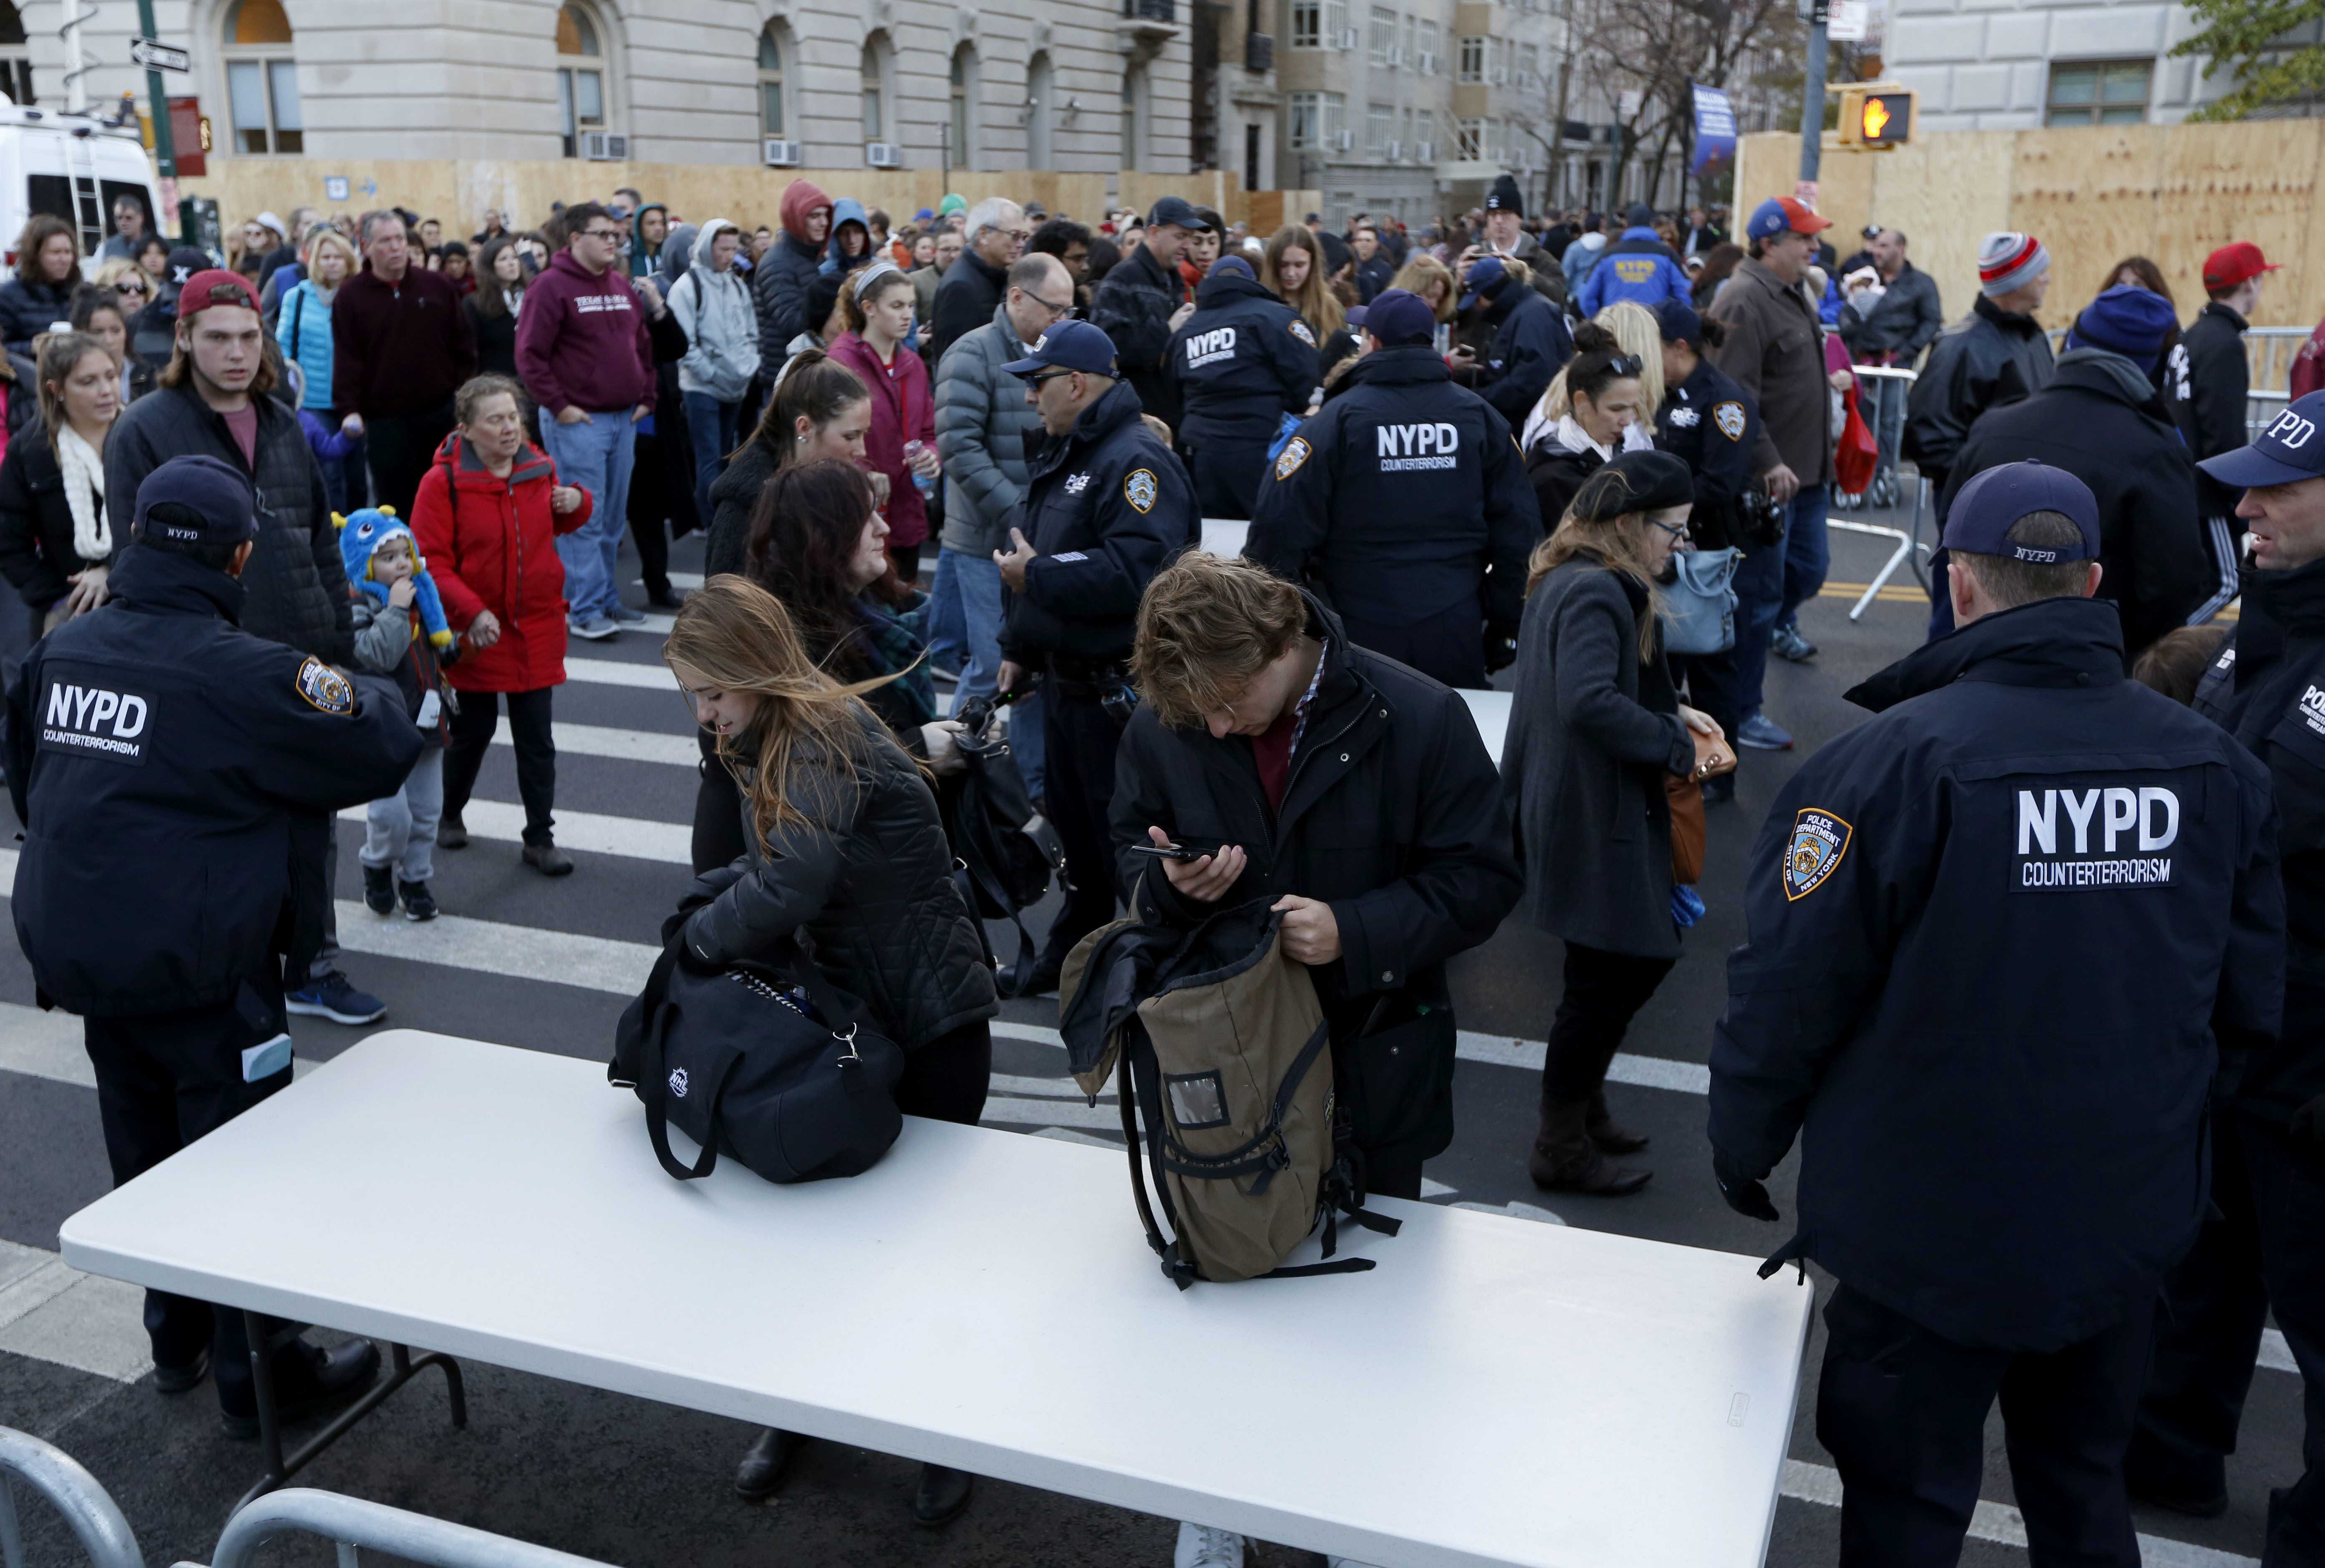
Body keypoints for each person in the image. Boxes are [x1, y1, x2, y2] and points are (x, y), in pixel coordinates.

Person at [1708, 459, 2284, 1568]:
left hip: (1922, 1229)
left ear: (1957, 583)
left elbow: (1787, 991)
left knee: (1905, 1507)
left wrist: (1743, 1142)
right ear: (2093, 584)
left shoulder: (1883, 764)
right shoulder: (2212, 765)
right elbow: (2247, 1004)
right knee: (2081, 1484)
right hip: (2119, 1219)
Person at [1110, 558, 1522, 1568]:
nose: (1214, 728)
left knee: (1369, 1320)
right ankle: (1219, 1497)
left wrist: (1358, 930)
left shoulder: (1416, 715)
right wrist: (1172, 889)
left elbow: (1484, 878)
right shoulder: (1171, 715)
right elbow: (1126, 849)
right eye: (1196, 714)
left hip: (1372, 1056)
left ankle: (1355, 1510)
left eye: (1227, 702)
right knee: (1225, 1292)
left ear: (1282, 644)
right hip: (1222, 1064)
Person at [6, 453, 419, 1434]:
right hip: (204, 965)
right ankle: (260, 1379)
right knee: (239, 1170)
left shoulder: (67, 649)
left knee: (145, 1151)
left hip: (91, 951)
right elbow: (378, 739)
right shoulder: (244, 671)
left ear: (137, 535)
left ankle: (176, 1338)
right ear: (239, 558)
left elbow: (27, 776)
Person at [665, 577, 992, 1530]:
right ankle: (802, 1411)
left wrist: (698, 939)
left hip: (927, 1022)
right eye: (693, 697)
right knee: (817, 1237)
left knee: (918, 1247)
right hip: (862, 1016)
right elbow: (764, 867)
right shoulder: (768, 730)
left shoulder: (814, 733)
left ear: (754, 668)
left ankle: (939, 1436)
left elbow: (793, 880)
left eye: (712, 692)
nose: (705, 714)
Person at [2123, 402, 2325, 1560]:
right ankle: (2167, 1449)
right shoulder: (2269, 616)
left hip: (2311, 1065)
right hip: (2236, 1028)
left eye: (2276, 488)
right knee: (2202, 1260)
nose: (2244, 507)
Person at [105, 267, 391, 1026]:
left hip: (301, 651)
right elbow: (134, 559)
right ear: (184, 338)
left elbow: (317, 537)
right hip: (207, 660)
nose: (236, 352)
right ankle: (229, 966)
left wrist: (339, 640)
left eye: (247, 337)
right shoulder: (145, 428)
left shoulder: (283, 420)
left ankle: (312, 963)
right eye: (217, 338)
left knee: (311, 819)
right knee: (222, 826)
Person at [1507, 452, 1730, 1195]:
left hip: (1573, 803)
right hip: (1593, 811)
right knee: (1615, 973)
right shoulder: (1598, 589)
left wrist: (1670, 708)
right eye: (1674, 528)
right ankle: (1559, 1143)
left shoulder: (1571, 575)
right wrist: (1673, 741)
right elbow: (1586, 701)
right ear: (1631, 523)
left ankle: (1582, 1107)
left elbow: (1590, 688)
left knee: (1602, 973)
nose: (1681, 543)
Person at [991, 319, 1195, 996]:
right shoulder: (1072, 452)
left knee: (1125, 843)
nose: (1030, 398)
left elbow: (1139, 571)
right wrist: (1019, 647)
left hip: (1118, 698)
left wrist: (1038, 575)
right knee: (1077, 839)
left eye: (1039, 383)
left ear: (1076, 383)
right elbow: (1039, 545)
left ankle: (1147, 970)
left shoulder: (1134, 461)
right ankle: (1074, 950)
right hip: (1065, 684)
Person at [1248, 287, 1536, 691]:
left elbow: (1277, 529)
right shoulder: (1481, 419)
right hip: (1453, 621)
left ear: (1374, 342)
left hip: (1357, 627)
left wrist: (1299, 624)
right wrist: (1507, 621)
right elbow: (1519, 531)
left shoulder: (1334, 422)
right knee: (1452, 728)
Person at [1935, 286, 2210, 660]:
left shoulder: (1993, 426)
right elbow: (2175, 584)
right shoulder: (2155, 449)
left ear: (2074, 344)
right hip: (2095, 661)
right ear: (2155, 366)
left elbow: (1952, 532)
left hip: (1983, 652)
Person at [696, 352, 874, 872]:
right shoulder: (745, 504)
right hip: (751, 702)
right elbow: (724, 616)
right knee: (734, 830)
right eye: (851, 436)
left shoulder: (811, 488)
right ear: (804, 428)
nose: (862, 450)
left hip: (795, 694)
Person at [413, 374, 592, 875]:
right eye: (496, 420)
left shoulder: (539, 467)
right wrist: (473, 612)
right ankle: (450, 813)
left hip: (535, 626)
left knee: (537, 740)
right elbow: (429, 562)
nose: (510, 428)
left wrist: (577, 502)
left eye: (514, 417)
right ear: (467, 429)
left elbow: (556, 522)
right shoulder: (442, 483)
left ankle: (540, 838)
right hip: (477, 632)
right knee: (473, 731)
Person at [931, 252, 1069, 787]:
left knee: (1033, 666)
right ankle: (947, 767)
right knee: (993, 666)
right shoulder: (972, 353)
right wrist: (1019, 512)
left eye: (1069, 309)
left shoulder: (1054, 352)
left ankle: (1035, 785)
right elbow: (960, 449)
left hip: (1037, 538)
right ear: (1016, 298)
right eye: (1054, 308)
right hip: (985, 541)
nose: (1062, 319)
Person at [1706, 196, 1833, 753]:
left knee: (1809, 570)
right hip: (1769, 482)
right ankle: (1739, 712)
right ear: (1768, 243)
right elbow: (1732, 399)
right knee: (1756, 599)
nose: (1814, 246)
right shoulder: (1743, 297)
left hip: (1807, 474)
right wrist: (1764, 462)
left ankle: (1768, 636)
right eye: (1803, 238)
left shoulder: (1792, 291)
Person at [742, 458, 963, 768]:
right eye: (864, 519)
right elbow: (818, 765)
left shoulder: (884, 609)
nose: (883, 529)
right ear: (821, 538)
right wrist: (917, 749)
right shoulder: (800, 650)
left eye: (878, 513)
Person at [516, 201, 655, 641]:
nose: (613, 241)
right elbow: (530, 356)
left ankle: (606, 598)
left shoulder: (619, 284)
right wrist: (561, 407)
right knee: (582, 518)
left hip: (624, 418)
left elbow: (642, 346)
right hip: (579, 422)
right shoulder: (550, 287)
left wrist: (648, 396)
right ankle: (584, 608)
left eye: (616, 235)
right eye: (603, 234)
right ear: (576, 239)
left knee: (613, 517)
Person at [1651, 299, 1757, 795]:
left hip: (1707, 554)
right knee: (1661, 663)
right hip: (1663, 551)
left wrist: (1656, 501)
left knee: (1712, 665)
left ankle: (1719, 773)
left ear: (1679, 347)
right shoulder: (1662, 394)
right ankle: (1672, 762)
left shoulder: (1723, 400)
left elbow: (1721, 482)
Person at [342, 514, 452, 921]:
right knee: (391, 815)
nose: (403, 563)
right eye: (388, 558)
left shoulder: (424, 595)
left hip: (426, 718)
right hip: (384, 725)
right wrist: (397, 609)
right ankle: (377, 863)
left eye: (406, 553)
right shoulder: (359, 603)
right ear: (365, 566)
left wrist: (461, 643)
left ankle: (415, 879)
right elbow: (376, 655)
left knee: (426, 811)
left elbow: (440, 648)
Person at [332, 211, 476, 521]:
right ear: (366, 246)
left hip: (441, 414)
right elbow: (347, 358)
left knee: (450, 501)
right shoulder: (351, 297)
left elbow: (463, 344)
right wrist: (349, 409)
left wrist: (462, 390)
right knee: (396, 507)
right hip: (386, 423)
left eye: (400, 239)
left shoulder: (436, 287)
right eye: (386, 241)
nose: (396, 247)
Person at [1902, 231, 2054, 500]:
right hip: (1981, 498)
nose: (2047, 279)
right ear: (2016, 282)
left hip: (2025, 492)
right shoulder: (1961, 346)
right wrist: (1984, 483)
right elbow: (1930, 435)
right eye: (2040, 271)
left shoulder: (2033, 337)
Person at [2173, 241, 2278, 625]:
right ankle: (2163, 651)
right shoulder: (2224, 344)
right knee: (2226, 581)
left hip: (2183, 481)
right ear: (2249, 284)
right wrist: (2238, 494)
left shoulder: (2192, 335)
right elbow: (2224, 433)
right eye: (2261, 279)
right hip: (2208, 492)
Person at [1165, 255, 1318, 520]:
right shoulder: (1277, 317)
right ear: (1252, 282)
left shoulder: (1186, 332)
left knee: (1213, 537)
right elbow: (1310, 381)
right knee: (1268, 534)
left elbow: (1172, 395)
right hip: (1264, 449)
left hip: (1201, 456)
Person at [0, 331, 120, 632]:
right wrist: (58, 600)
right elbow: (9, 540)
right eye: (88, 382)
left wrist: (112, 569)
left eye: (111, 376)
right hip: (69, 611)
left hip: (143, 602)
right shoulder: (31, 450)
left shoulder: (141, 434)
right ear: (56, 390)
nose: (106, 390)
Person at [827, 264, 938, 584]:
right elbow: (827, 440)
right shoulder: (841, 363)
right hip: (858, 516)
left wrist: (932, 456)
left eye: (911, 305)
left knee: (906, 603)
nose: (908, 315)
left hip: (907, 511)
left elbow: (928, 432)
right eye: (897, 305)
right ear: (869, 308)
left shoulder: (913, 364)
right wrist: (860, 473)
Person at [668, 216, 760, 541]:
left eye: (734, 249)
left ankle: (718, 514)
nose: (729, 256)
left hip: (736, 384)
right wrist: (712, 374)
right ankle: (712, 520)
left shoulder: (736, 284)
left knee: (725, 454)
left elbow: (751, 331)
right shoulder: (686, 287)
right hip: (701, 387)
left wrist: (749, 364)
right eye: (723, 249)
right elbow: (683, 344)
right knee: (709, 456)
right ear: (708, 247)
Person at [1525, 320, 1651, 535]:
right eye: (1617, 409)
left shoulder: (1616, 452)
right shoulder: (1552, 479)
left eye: (1633, 408)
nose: (1628, 420)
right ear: (1582, 402)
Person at [1090, 197, 1204, 430]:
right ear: (1154, 233)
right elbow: (1107, 348)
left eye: (1190, 238)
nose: (1187, 245)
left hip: (1170, 416)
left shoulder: (1173, 281)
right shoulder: (1123, 279)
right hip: (1137, 419)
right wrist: (1167, 331)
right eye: (1180, 236)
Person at [1452, 255, 1570, 428]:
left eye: (1478, 299)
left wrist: (1477, 397)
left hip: (1530, 425)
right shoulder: (1513, 313)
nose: (1477, 306)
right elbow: (1507, 368)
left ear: (1492, 291)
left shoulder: (1535, 315)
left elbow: (1530, 383)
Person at [934, 198, 1028, 365]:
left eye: (1024, 237)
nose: (1021, 244)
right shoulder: (960, 287)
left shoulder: (998, 275)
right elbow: (956, 363)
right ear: (984, 235)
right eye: (1014, 236)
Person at [755, 179, 833, 373]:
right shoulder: (777, 263)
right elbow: (794, 326)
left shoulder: (815, 257)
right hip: (786, 374)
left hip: (811, 368)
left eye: (826, 215)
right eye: (815, 216)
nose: (824, 222)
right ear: (796, 218)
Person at [1263, 224, 1356, 384]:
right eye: (1284, 265)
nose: (1291, 273)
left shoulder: (1331, 308)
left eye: (1300, 265)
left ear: (1313, 265)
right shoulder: (1261, 305)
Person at [1576, 202, 1691, 319]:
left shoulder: (1608, 256)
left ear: (1626, 225)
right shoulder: (1667, 255)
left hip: (1616, 325)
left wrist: (1600, 320)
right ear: (1651, 225)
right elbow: (1684, 293)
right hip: (1654, 325)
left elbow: (1586, 296)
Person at [1472, 175, 1563, 306]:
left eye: (1505, 214)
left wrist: (1527, 275)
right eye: (1493, 215)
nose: (1499, 221)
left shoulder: (1540, 258)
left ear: (1520, 219)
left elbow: (1558, 296)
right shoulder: (1477, 255)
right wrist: (1458, 283)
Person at [0, 216, 79, 358]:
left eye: (68, 252)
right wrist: (32, 347)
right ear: (35, 256)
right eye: (56, 252)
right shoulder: (9, 297)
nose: (64, 260)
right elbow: (3, 348)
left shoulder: (78, 293)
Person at [68, 283, 152, 411]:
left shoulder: (148, 376)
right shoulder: (69, 381)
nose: (109, 341)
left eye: (116, 331)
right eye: (98, 332)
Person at [467, 237, 527, 382]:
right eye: (503, 259)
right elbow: (470, 351)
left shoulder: (530, 296)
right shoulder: (475, 303)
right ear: (490, 267)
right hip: (495, 382)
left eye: (515, 257)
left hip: (530, 381)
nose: (512, 263)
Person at [913, 226, 963, 330]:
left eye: (957, 249)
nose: (953, 255)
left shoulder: (974, 278)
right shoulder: (917, 281)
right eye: (946, 250)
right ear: (934, 252)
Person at [96, 194, 147, 264]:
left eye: (129, 218)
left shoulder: (153, 245)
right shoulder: (107, 247)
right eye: (119, 218)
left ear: (141, 218)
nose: (123, 223)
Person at [1349, 225, 1394, 303]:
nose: (1363, 243)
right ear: (1355, 243)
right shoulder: (1348, 265)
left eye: (1368, 240)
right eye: (1360, 240)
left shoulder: (1384, 269)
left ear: (1376, 244)